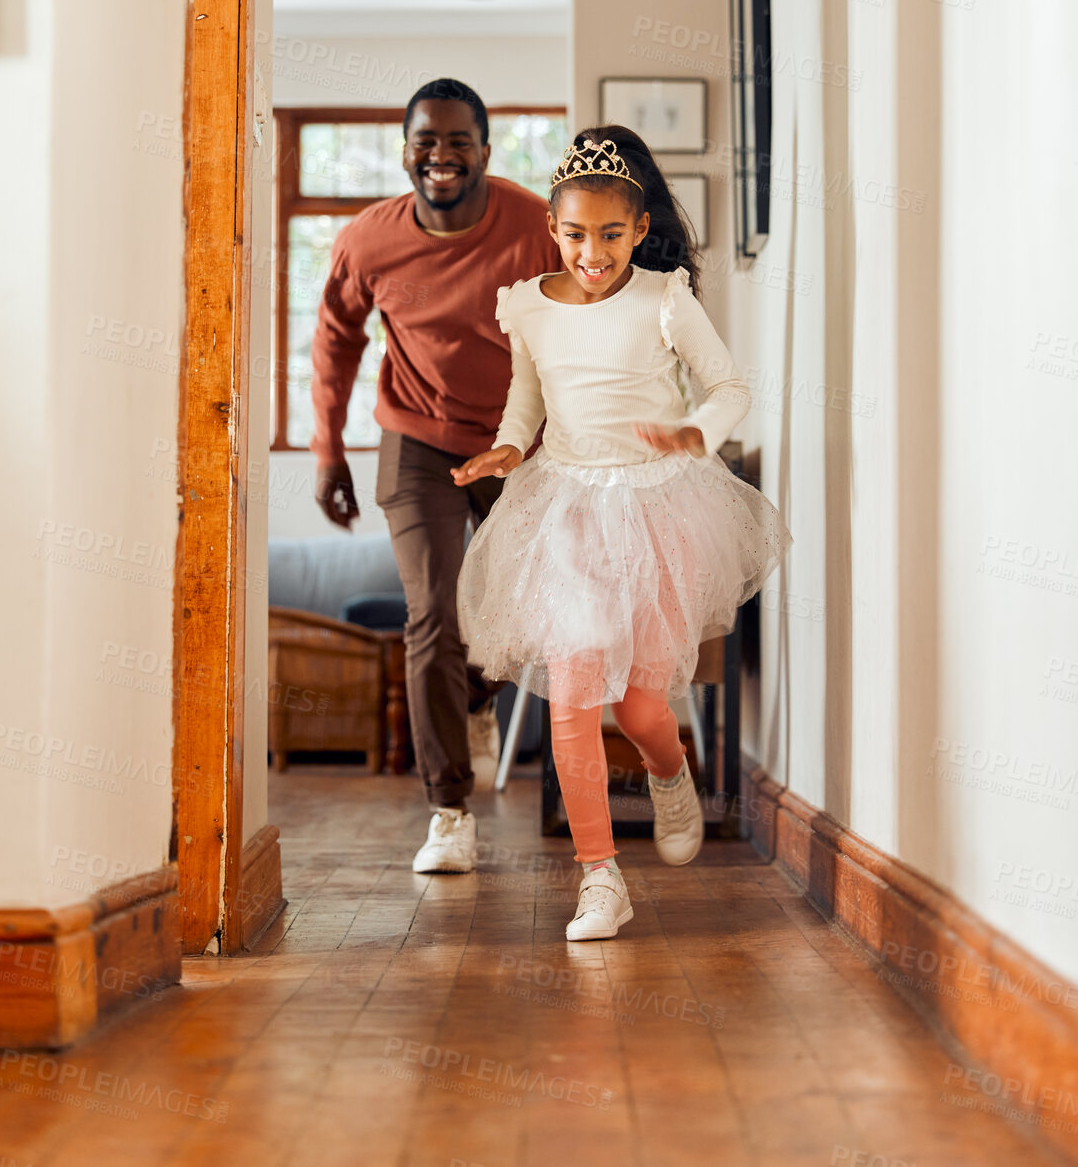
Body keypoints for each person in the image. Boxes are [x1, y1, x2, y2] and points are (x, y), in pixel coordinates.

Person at [453, 125, 791, 940]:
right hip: (564, 509)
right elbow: (526, 404)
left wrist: (695, 433)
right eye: (575, 234)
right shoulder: (527, 303)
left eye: (610, 234)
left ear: (639, 230)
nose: (591, 252)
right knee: (570, 704)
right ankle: (600, 876)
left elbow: (730, 387)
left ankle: (670, 773)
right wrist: (507, 444)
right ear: (552, 230)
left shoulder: (665, 297)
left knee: (643, 709)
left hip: (663, 507)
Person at [310, 78, 559, 873]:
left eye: (459, 142)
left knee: (527, 611)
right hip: (416, 441)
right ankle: (449, 810)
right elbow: (336, 340)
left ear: (486, 150)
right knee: (433, 619)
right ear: (405, 149)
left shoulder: (532, 228)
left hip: (519, 438)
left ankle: (478, 698)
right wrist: (327, 451)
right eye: (426, 140)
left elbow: (581, 325)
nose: (441, 157)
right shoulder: (368, 240)